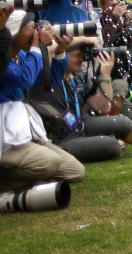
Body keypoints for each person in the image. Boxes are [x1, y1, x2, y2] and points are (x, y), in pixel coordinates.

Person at [0, 10, 85, 189]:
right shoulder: (4, 60)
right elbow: (24, 78)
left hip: (22, 130)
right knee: (49, 162)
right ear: (14, 32)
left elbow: (48, 81)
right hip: (4, 136)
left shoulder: (23, 55)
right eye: (31, 28)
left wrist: (61, 50)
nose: (35, 34)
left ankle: (30, 178)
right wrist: (38, 47)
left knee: (75, 171)